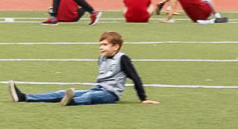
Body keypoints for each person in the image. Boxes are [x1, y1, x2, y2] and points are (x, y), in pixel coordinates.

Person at [8, 31, 157, 106]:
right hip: (98, 88)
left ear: (116, 47)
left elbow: (135, 77)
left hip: (111, 95)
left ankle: (72, 102)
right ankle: (25, 97)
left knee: (89, 98)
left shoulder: (122, 58)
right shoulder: (101, 58)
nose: (101, 47)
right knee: (62, 92)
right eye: (100, 44)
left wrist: (143, 98)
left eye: (105, 45)